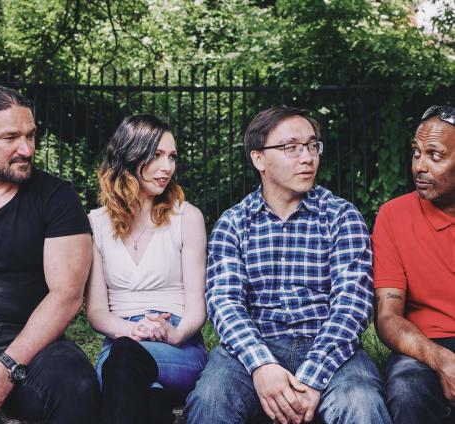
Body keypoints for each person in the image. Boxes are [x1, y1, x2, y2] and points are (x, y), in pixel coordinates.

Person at [185, 106, 391, 424]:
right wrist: (261, 365)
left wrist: (313, 375)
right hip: (255, 344)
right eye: (290, 148)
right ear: (258, 159)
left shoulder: (341, 216)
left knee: (361, 405)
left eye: (312, 145)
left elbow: (352, 306)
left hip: (330, 346)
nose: (307, 157)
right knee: (210, 401)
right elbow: (224, 304)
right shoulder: (234, 223)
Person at [0, 85, 100, 423]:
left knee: (76, 383)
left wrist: (7, 365)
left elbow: (67, 296)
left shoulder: (57, 198)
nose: (26, 149)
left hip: (32, 342)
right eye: (10, 138)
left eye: (30, 136)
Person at [85, 114, 207, 424]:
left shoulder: (187, 218)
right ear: (129, 155)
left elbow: (197, 307)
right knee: (138, 381)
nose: (168, 166)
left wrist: (174, 334)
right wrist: (133, 330)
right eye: (156, 155)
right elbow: (97, 312)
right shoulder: (95, 224)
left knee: (125, 364)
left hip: (178, 351)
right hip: (120, 341)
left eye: (172, 156)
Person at [373, 105, 455, 424]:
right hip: (424, 344)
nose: (419, 166)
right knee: (407, 389)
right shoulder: (394, 216)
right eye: (416, 152)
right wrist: (439, 359)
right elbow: (387, 316)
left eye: (435, 155)